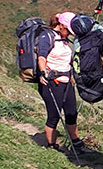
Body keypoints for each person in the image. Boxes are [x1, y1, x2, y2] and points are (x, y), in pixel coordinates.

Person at [36, 12, 85, 153]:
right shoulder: (47, 37)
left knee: (71, 113)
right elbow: (41, 57)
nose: (70, 33)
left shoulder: (64, 40)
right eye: (69, 30)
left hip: (66, 82)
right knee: (54, 115)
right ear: (61, 25)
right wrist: (43, 72)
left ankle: (76, 142)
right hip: (51, 82)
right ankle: (52, 146)